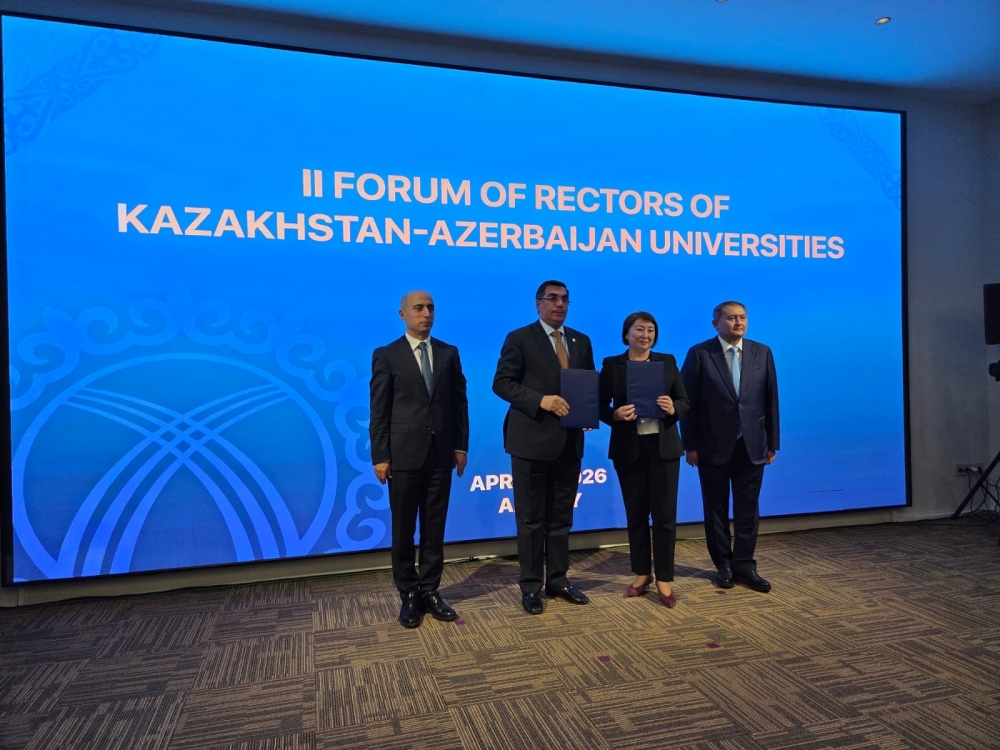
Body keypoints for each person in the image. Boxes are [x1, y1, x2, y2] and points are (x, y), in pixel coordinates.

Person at [492, 280, 595, 614]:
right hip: (530, 442)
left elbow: (587, 384)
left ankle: (559, 580)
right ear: (538, 303)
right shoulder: (520, 338)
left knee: (561, 518)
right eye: (552, 298)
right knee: (531, 520)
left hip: (569, 442)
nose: (559, 304)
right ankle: (531, 586)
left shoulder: (581, 341)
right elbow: (502, 384)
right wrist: (541, 401)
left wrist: (588, 412)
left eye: (565, 299)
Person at [370, 290, 470, 628]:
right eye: (418, 308)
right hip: (402, 457)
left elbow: (459, 404)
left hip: (441, 455)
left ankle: (429, 591)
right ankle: (408, 594)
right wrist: (381, 455)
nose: (426, 313)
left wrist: (461, 447)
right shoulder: (387, 355)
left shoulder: (448, 352)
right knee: (403, 530)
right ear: (403, 314)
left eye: (430, 308)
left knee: (434, 528)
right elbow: (379, 410)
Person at [680, 301, 779, 593]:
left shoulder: (762, 351)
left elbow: (770, 399)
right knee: (716, 509)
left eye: (742, 317)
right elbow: (688, 403)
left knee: (748, 510)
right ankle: (723, 564)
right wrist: (690, 445)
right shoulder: (700, 353)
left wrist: (772, 443)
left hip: (752, 445)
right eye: (732, 318)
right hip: (712, 446)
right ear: (716, 324)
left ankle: (745, 565)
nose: (738, 322)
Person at [599, 312, 689, 607]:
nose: (645, 335)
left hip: (664, 449)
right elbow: (598, 405)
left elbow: (684, 401)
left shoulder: (667, 361)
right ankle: (641, 573)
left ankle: (664, 577)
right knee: (636, 514)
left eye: (651, 330)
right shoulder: (612, 365)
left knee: (664, 517)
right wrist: (614, 414)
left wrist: (672, 407)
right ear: (626, 334)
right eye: (639, 329)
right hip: (629, 448)